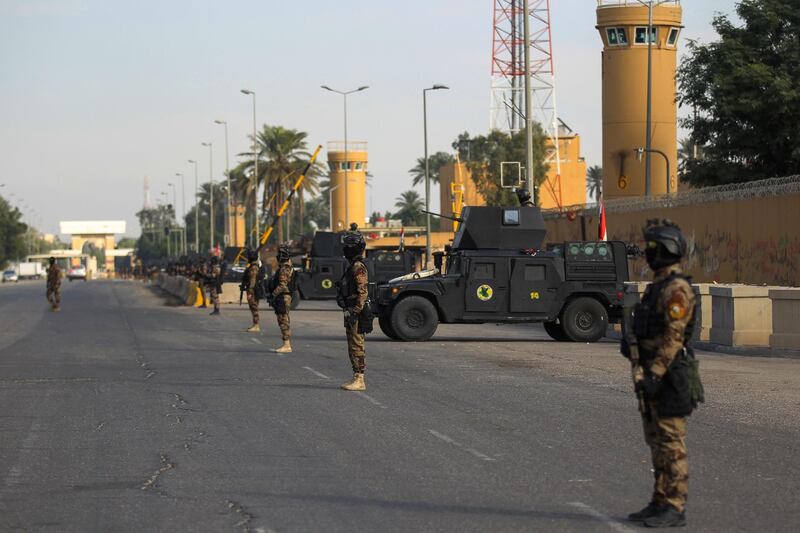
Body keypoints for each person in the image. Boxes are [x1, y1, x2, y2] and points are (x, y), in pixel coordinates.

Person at [622, 219, 698, 528]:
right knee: (655, 442)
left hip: (669, 375)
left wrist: (653, 374)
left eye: (652, 249)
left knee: (671, 442)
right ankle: (659, 500)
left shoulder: (677, 289)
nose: (648, 254)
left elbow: (673, 337)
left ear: (666, 250)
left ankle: (675, 506)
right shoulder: (658, 287)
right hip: (651, 373)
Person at [337, 230, 369, 391]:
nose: (346, 249)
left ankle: (360, 379)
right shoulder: (351, 266)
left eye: (348, 246)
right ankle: (356, 376)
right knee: (352, 345)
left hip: (356, 312)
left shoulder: (358, 267)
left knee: (357, 345)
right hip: (350, 311)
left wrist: (355, 311)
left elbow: (363, 292)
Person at [270, 245, 294, 353]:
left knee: (283, 320)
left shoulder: (285, 268)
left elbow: (282, 285)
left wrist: (273, 295)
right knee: (283, 319)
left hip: (283, 297)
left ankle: (287, 345)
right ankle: (286, 343)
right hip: (283, 297)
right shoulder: (286, 266)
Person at [242, 248, 261, 332]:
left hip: (253, 290)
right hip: (254, 289)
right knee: (253, 307)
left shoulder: (253, 267)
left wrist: (249, 292)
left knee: (254, 307)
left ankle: (256, 325)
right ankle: (255, 324)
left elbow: (252, 280)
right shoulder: (253, 266)